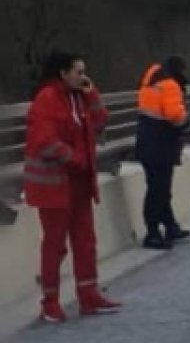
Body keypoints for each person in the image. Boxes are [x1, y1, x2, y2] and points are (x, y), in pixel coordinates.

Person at [23, 51, 122, 323]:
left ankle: (89, 296)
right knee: (55, 245)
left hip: (79, 182)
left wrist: (92, 94)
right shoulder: (47, 99)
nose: (83, 77)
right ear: (63, 73)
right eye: (78, 72)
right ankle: (50, 302)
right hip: (54, 184)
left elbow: (100, 122)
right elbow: (44, 141)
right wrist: (75, 158)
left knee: (85, 241)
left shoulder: (79, 97)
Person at [134, 56, 190, 250]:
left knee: (159, 188)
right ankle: (152, 232)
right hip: (161, 143)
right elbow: (174, 114)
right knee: (158, 190)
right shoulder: (170, 85)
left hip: (147, 141)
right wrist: (186, 126)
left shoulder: (152, 80)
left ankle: (169, 225)